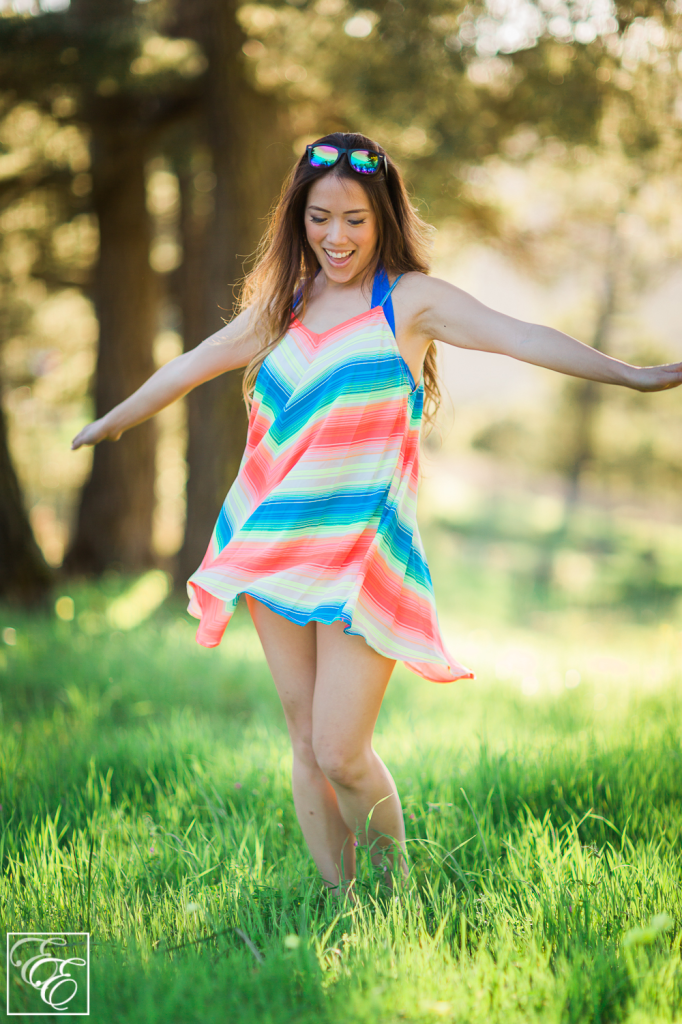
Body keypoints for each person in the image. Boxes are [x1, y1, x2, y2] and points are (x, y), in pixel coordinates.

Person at [72, 131, 682, 898]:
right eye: (320, 217)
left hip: (364, 556)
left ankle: (395, 899)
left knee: (342, 751)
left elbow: (522, 336)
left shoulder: (409, 301)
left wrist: (635, 376)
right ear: (298, 218)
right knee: (303, 742)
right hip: (273, 544)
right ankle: (341, 905)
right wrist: (113, 422)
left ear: (383, 217)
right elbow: (196, 361)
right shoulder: (285, 306)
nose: (336, 237)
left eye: (355, 219)